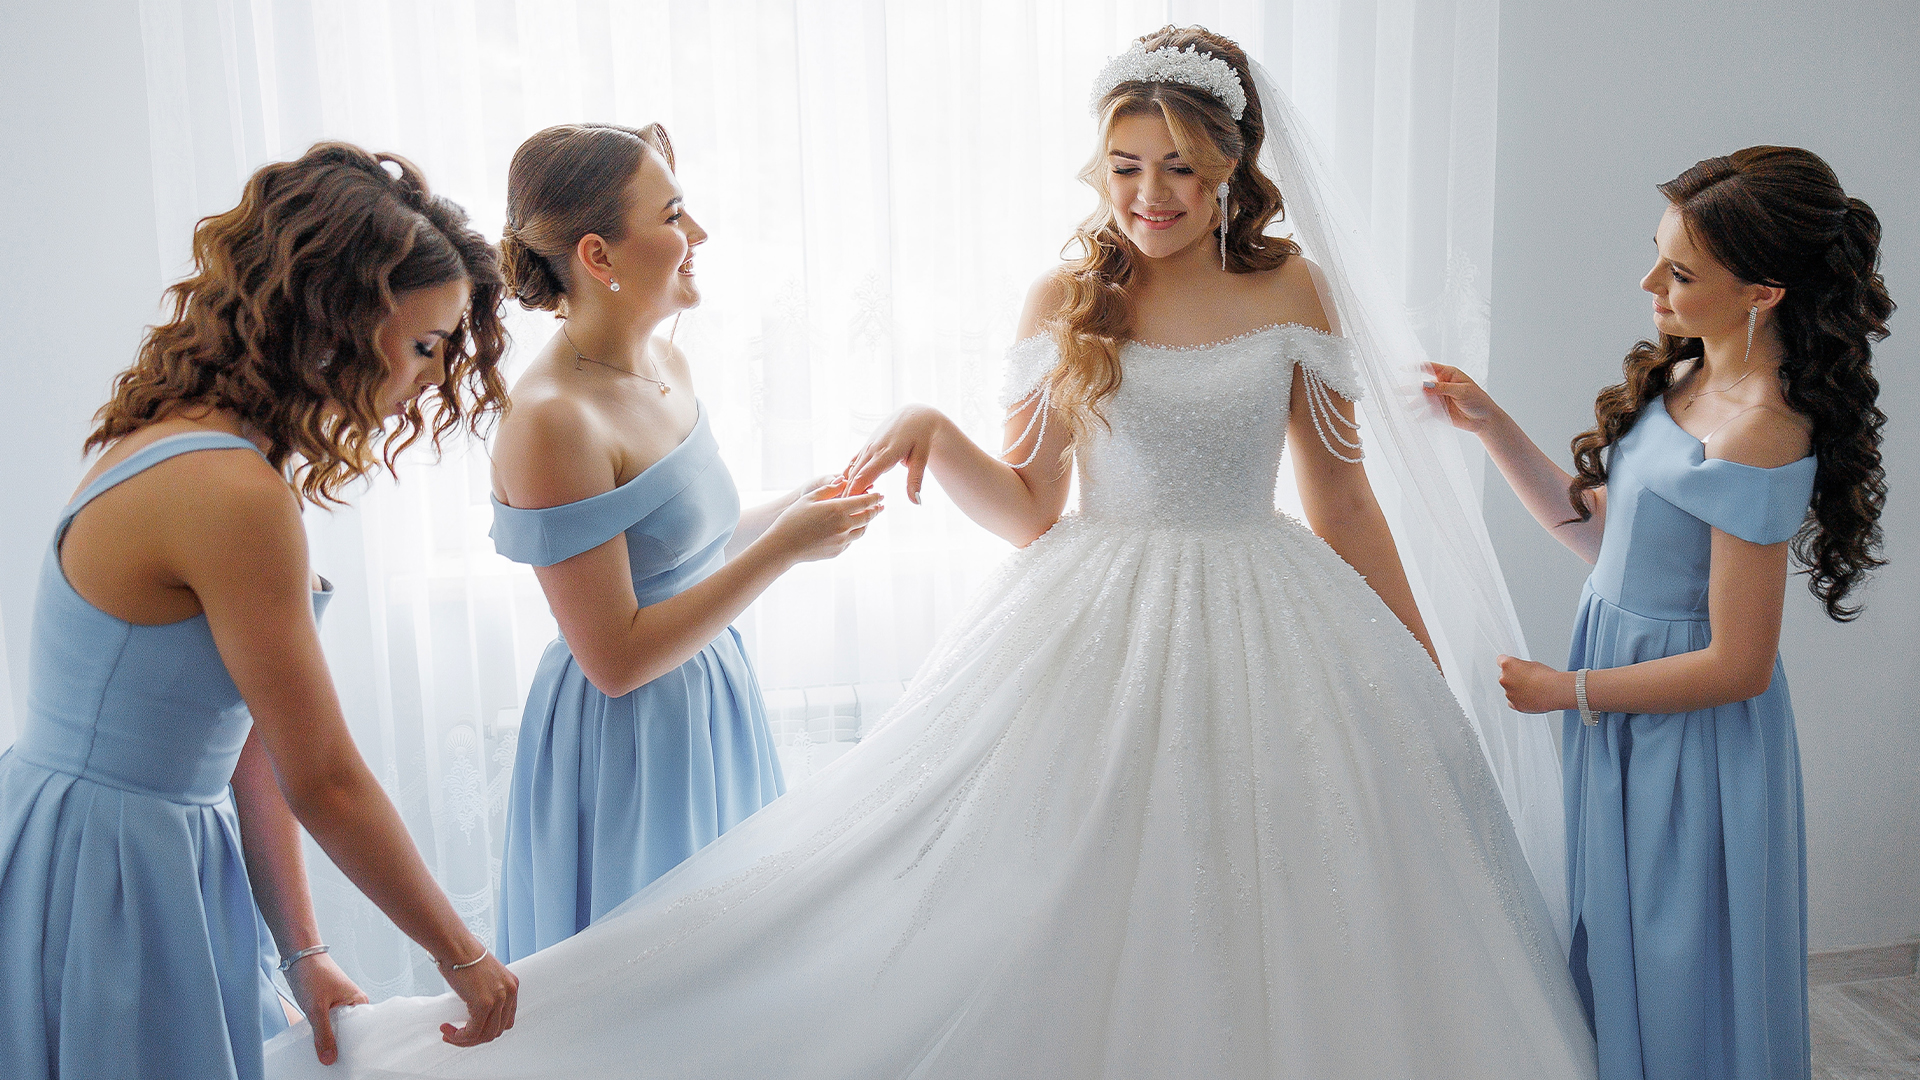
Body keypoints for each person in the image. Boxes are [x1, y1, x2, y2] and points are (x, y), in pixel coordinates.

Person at [266, 29, 1594, 1079]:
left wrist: (1418, 663)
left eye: (1180, 169)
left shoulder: (1293, 290)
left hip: (1274, 603)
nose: (1149, 196)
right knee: (1057, 903)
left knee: (1306, 887)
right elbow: (1030, 505)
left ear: (1237, 169)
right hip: (1102, 617)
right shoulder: (1071, 295)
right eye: (1124, 166)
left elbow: (1345, 502)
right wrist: (927, 431)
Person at [0, 142, 519, 1080]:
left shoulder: (184, 439)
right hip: (113, 867)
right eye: (426, 345)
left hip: (97, 840)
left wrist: (303, 950)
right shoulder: (231, 491)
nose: (433, 379)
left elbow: (241, 734)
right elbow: (325, 777)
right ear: (339, 319)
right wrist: (464, 956)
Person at [1426, 146, 1890, 1080]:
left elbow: (1739, 665)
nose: (1650, 284)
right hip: (1626, 707)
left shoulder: (1760, 426)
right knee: (1622, 938)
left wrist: (1570, 690)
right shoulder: (1688, 377)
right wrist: (1491, 426)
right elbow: (1608, 543)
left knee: (1679, 958)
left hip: (1688, 734)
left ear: (1762, 294)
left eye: (1679, 273)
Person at [488, 123, 883, 961]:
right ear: (599, 256)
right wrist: (784, 552)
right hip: (629, 739)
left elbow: (680, 553)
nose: (696, 235)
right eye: (672, 215)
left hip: (708, 695)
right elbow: (616, 657)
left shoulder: (670, 364)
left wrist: (793, 510)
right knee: (650, 984)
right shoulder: (552, 421)